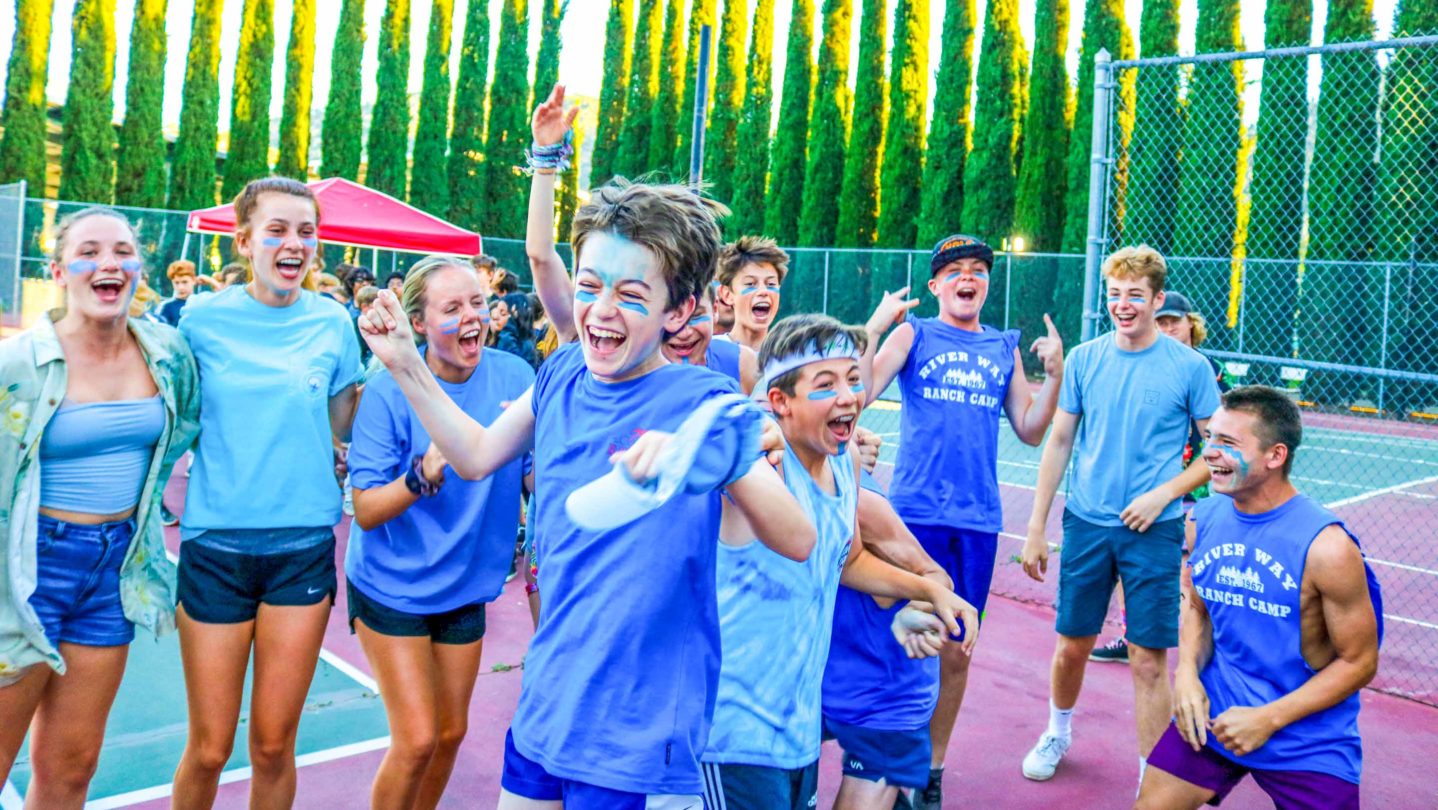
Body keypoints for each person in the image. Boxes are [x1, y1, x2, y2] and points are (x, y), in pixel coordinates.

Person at [362, 83, 815, 807]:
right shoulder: (565, 367)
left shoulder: (706, 405)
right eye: (593, 285)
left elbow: (798, 537)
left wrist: (718, 463)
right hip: (548, 705)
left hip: (638, 734)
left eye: (633, 296)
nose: (603, 310)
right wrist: (405, 365)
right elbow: (477, 455)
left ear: (682, 311)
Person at [699, 314, 978, 810]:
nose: (848, 395)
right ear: (780, 402)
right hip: (735, 731)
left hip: (795, 727)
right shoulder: (759, 462)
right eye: (825, 384)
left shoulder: (844, 465)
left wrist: (928, 591)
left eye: (853, 378)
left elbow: (845, 562)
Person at [170, 177, 363, 809]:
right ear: (244, 240)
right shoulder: (200, 319)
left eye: (307, 232)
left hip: (302, 550)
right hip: (215, 550)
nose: (294, 243)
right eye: (277, 230)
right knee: (208, 747)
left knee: (275, 746)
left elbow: (343, 429)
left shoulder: (335, 324)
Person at [0, 207, 199, 807]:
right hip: (27, 573)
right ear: (60, 271)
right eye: (89, 251)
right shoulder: (19, 365)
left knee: (74, 766)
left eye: (122, 250)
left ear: (139, 268)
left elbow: (186, 426)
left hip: (115, 572)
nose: (108, 263)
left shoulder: (167, 353)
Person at [860, 234, 1065, 807]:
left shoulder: (1003, 347)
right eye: (955, 271)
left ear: (986, 283)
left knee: (955, 650)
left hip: (974, 523)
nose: (967, 278)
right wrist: (873, 330)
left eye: (977, 269)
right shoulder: (913, 333)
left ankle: (930, 768)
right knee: (899, 643)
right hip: (914, 518)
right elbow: (864, 388)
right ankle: (883, 762)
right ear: (935, 286)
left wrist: (1055, 374)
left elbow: (1029, 427)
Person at [1020, 245, 1221, 785]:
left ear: (1157, 300)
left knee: (1148, 658)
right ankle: (1058, 730)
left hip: (1154, 530)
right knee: (1071, 647)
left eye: (1135, 295)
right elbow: (1060, 439)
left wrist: (1164, 495)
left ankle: (1150, 774)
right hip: (1086, 525)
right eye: (1115, 295)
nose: (1123, 305)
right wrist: (1037, 526)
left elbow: (1217, 451)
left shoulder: (1191, 367)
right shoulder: (1086, 358)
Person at [347, 255, 534, 809]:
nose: (471, 316)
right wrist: (420, 476)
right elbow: (365, 510)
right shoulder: (386, 392)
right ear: (420, 324)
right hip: (392, 585)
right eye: (452, 307)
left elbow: (530, 473)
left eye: (477, 302)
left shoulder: (515, 378)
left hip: (465, 584)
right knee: (417, 738)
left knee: (450, 734)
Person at [1137, 386, 1382, 810]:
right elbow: (1197, 607)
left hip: (1307, 737)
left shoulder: (1328, 547)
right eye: (1209, 437)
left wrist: (1267, 718)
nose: (1209, 452)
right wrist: (1187, 676)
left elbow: (1359, 662)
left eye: (1227, 443)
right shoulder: (1203, 518)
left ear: (1275, 456)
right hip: (1217, 711)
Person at [1093, 290, 1230, 665]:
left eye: (1175, 321)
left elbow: (1227, 432)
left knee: (1193, 572)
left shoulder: (1208, 369)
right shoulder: (1142, 363)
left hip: (1197, 488)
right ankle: (1129, 634)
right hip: (1146, 486)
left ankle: (1200, 649)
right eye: (1162, 321)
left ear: (1192, 325)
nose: (1167, 327)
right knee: (1127, 562)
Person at [822, 472, 955, 809]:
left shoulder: (860, 502)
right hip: (815, 684)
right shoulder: (755, 475)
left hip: (885, 694)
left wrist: (916, 608)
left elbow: (933, 575)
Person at [715, 236, 789, 352]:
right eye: (750, 284)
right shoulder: (711, 352)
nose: (763, 291)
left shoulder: (788, 356)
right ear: (727, 295)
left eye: (770, 284)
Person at [158, 260, 199, 325]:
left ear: (194, 280)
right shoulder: (167, 307)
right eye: (176, 283)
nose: (181, 287)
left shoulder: (201, 304)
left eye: (185, 282)